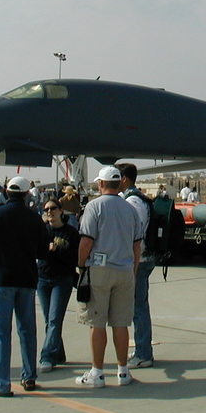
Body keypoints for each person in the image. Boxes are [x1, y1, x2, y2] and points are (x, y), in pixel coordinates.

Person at [0, 176, 47, 397]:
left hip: (1, 279)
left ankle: (2, 383)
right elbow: (43, 251)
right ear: (26, 194)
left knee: (1, 333)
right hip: (26, 279)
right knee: (27, 330)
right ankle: (30, 376)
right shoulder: (34, 218)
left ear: (6, 192)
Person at [75, 165, 142, 388]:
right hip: (125, 270)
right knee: (121, 323)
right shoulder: (130, 208)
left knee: (97, 322)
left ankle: (97, 372)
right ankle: (123, 372)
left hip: (100, 269)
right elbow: (137, 245)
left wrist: (81, 265)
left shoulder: (94, 206)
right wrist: (133, 270)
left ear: (101, 184)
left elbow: (86, 240)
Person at [117, 163, 155, 369]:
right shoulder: (133, 199)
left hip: (139, 260)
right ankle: (142, 349)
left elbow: (135, 233)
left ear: (124, 179)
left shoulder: (133, 201)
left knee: (138, 308)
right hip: (140, 259)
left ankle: (143, 354)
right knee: (138, 307)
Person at [37, 199, 79, 373]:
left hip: (62, 280)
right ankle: (58, 354)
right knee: (49, 320)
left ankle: (47, 356)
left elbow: (75, 257)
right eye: (46, 209)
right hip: (43, 279)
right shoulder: (42, 231)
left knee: (55, 319)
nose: (49, 212)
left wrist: (57, 251)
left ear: (61, 211)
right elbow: (36, 251)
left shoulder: (70, 233)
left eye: (53, 208)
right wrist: (45, 250)